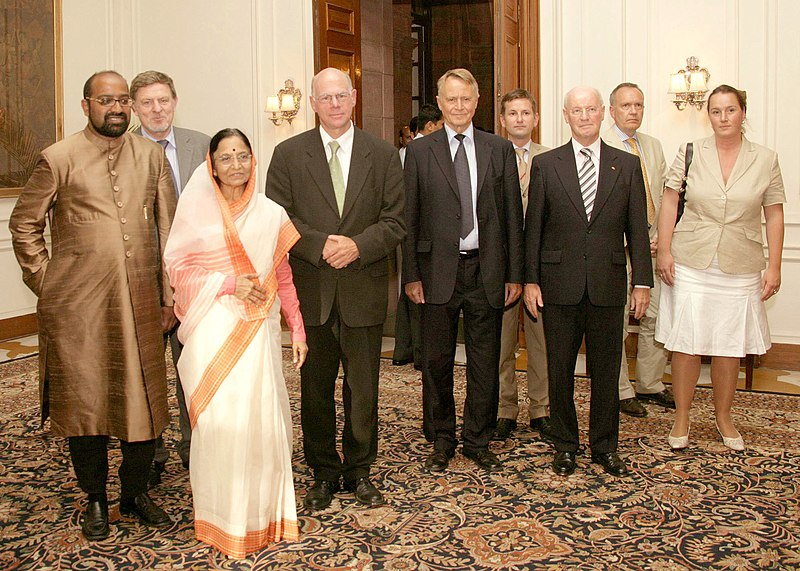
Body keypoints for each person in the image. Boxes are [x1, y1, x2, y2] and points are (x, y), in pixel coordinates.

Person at [9, 70, 175, 541]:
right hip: (78, 312)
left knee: (144, 406)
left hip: (142, 306)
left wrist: (168, 298)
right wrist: (50, 285)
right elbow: (24, 226)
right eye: (106, 100)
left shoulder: (151, 157)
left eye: (123, 99)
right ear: (86, 105)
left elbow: (170, 235)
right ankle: (96, 498)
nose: (117, 108)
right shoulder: (57, 158)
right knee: (88, 406)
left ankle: (136, 493)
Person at [266, 67, 405, 511]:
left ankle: (360, 469)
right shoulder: (288, 154)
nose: (334, 105)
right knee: (315, 390)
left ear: (354, 97)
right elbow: (278, 218)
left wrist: (358, 246)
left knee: (364, 391)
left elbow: (397, 221)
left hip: (363, 289)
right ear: (312, 103)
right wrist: (321, 245)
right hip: (313, 293)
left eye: (341, 96)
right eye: (325, 98)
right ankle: (324, 471)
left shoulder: (382, 155)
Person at [164, 128, 306, 557]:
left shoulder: (270, 212)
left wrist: (297, 326)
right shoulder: (195, 213)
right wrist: (229, 284)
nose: (235, 165)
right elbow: (178, 269)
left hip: (258, 333)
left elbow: (282, 275)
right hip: (214, 327)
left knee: (260, 422)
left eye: (242, 155)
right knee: (219, 425)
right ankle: (221, 518)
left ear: (253, 160)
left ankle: (265, 516)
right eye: (225, 158)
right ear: (211, 164)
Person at [524, 86, 652, 478]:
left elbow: (637, 231)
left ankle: (605, 446)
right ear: (565, 116)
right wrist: (530, 280)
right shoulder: (547, 164)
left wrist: (642, 283)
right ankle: (565, 444)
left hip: (608, 284)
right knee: (559, 369)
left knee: (606, 370)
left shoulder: (626, 165)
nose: (584, 116)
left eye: (591, 109)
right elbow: (534, 230)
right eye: (576, 110)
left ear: (603, 114)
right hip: (558, 284)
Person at [403, 68, 524, 474]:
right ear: (439, 102)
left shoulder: (498, 149)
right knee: (436, 361)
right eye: (450, 99)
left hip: (486, 271)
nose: (458, 106)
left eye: (465, 99)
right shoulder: (420, 152)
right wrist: (411, 275)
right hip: (436, 272)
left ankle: (477, 438)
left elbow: (512, 218)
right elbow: (410, 218)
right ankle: (441, 437)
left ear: (476, 102)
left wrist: (514, 275)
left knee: (485, 361)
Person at [656, 84, 785, 452]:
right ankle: (682, 416)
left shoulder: (766, 158)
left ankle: (723, 416)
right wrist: (664, 250)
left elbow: (774, 214)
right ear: (708, 115)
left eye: (730, 110)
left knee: (730, 345)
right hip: (691, 259)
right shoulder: (691, 151)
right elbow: (669, 202)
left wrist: (774, 266)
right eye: (716, 111)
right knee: (687, 343)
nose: (723, 117)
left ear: (743, 113)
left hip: (740, 263)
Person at [130, 69, 211, 486]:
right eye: (147, 102)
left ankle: (194, 446)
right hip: (142, 281)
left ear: (175, 101)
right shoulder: (122, 150)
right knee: (146, 372)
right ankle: (153, 451)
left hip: (195, 280)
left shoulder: (202, 144)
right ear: (134, 107)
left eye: (163, 100)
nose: (157, 109)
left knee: (193, 367)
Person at [602, 82, 675, 418]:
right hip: (618, 248)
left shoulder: (653, 146)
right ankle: (620, 389)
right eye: (626, 105)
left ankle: (650, 382)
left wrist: (662, 236)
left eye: (639, 105)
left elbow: (662, 198)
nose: (633, 111)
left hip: (654, 246)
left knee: (656, 316)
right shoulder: (601, 146)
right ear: (612, 110)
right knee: (616, 319)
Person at [493, 89, 552, 442]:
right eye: (512, 113)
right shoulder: (491, 156)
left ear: (536, 118)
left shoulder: (551, 158)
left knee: (541, 342)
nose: (519, 119)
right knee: (500, 343)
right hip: (499, 266)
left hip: (542, 267)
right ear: (503, 120)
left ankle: (542, 409)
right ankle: (504, 409)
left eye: (525, 113)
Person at [393, 103, 444, 374]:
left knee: (409, 294)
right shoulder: (414, 152)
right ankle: (420, 354)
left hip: (414, 236)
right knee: (419, 298)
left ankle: (404, 350)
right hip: (420, 236)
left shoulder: (406, 150)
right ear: (432, 125)